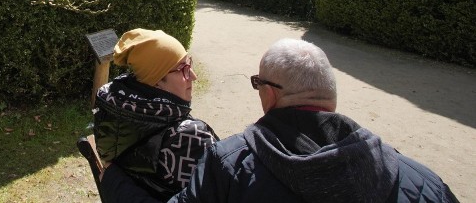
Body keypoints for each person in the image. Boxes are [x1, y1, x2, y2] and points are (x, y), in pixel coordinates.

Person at [101, 38, 460, 203]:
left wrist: (113, 178)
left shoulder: (225, 164)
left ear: (270, 95)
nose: (192, 76)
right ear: (330, 93)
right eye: (182, 69)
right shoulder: (424, 181)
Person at [94, 28, 218, 201]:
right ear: (156, 81)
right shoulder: (189, 137)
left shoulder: (112, 110)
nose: (193, 76)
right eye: (182, 68)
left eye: (190, 64)